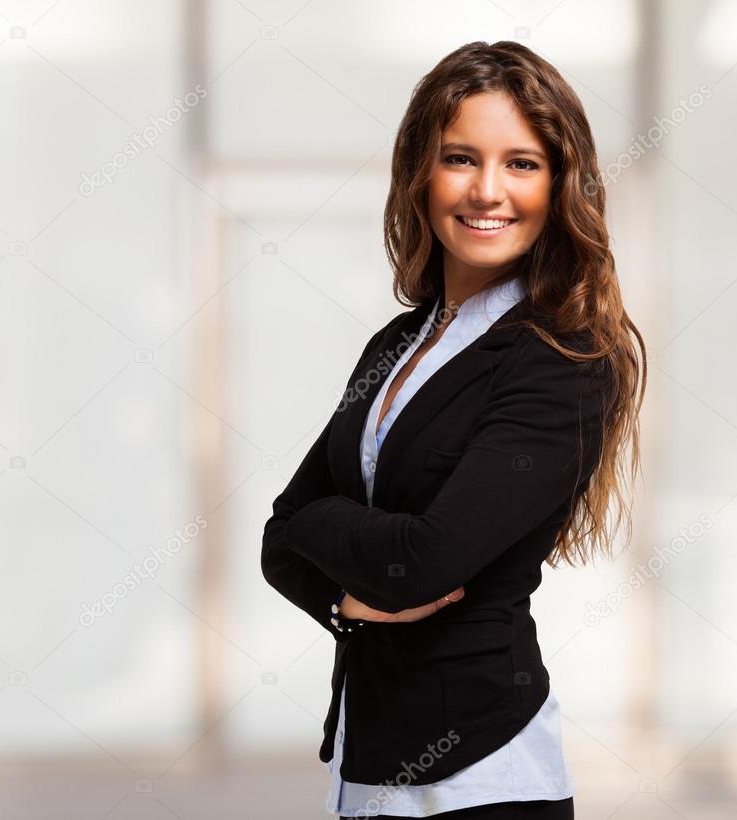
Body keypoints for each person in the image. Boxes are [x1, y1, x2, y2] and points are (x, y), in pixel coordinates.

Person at [261, 40, 646, 819]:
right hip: (368, 764)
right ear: (418, 174)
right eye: (460, 158)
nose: (487, 191)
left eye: (522, 163)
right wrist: (345, 595)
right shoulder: (396, 345)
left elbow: (420, 565)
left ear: (560, 184)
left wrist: (324, 527)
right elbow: (277, 538)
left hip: (480, 772)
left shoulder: (563, 361)